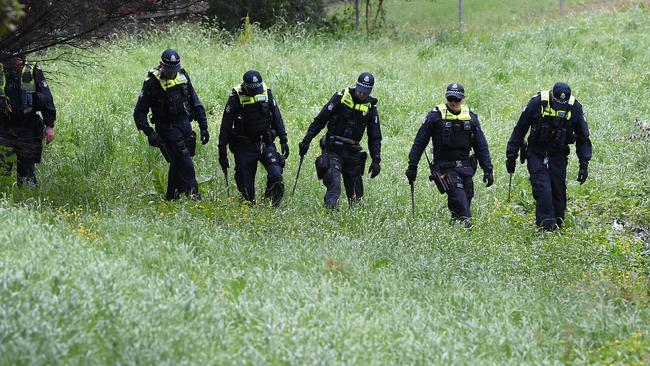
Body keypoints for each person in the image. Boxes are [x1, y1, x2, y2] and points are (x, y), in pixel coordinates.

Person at [506, 82, 591, 231]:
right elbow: (520, 129)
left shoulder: (575, 108)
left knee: (558, 192)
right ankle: (545, 228)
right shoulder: (537, 103)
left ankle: (557, 225)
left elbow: (583, 138)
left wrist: (584, 164)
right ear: (552, 97)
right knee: (543, 189)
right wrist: (511, 155)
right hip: (536, 152)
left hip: (558, 154)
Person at [405, 83, 493, 226]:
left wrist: (488, 169)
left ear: (463, 99)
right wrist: (412, 166)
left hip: (465, 167)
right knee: (460, 201)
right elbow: (420, 142)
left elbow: (481, 145)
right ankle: (467, 226)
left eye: (456, 99)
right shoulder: (435, 117)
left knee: (466, 197)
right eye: (450, 98)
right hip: (444, 167)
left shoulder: (471, 118)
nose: (452, 102)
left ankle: (455, 226)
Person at [298, 72, 382, 209]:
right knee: (334, 184)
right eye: (360, 91)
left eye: (365, 92)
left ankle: (354, 219)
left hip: (352, 153)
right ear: (356, 86)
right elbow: (320, 120)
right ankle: (330, 213)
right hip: (333, 149)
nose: (362, 94)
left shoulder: (371, 108)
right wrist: (306, 140)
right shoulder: (340, 98)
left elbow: (375, 137)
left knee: (356, 198)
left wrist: (376, 159)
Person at [133, 48, 209, 200]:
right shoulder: (151, 83)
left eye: (174, 69)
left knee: (178, 161)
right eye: (168, 69)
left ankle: (171, 197)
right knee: (184, 160)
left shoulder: (183, 76)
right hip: (166, 128)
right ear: (161, 65)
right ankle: (193, 195)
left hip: (185, 124)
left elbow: (195, 102)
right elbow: (139, 112)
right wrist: (150, 133)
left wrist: (203, 126)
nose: (171, 72)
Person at [218, 70, 289, 205]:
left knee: (276, 175)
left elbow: (277, 116)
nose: (257, 92)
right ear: (245, 86)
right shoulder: (235, 97)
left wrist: (283, 139)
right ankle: (248, 199)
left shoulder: (266, 92)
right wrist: (222, 150)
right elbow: (225, 125)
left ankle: (271, 202)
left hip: (265, 142)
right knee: (248, 195)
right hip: (244, 146)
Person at [0, 52, 56, 186]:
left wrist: (49, 125)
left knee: (27, 172)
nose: (17, 60)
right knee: (2, 170)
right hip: (3, 127)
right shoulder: (1, 71)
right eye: (13, 57)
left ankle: (27, 199)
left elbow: (46, 97)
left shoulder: (32, 70)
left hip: (27, 127)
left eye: (20, 56)